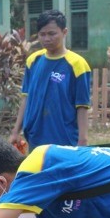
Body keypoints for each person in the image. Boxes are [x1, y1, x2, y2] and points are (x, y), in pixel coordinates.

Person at [9, 9, 91, 148]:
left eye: (52, 33)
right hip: (35, 138)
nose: (47, 39)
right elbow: (26, 98)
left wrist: (82, 141)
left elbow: (82, 106)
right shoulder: (33, 61)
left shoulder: (77, 65)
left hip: (65, 140)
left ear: (64, 32)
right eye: (42, 34)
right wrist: (16, 131)